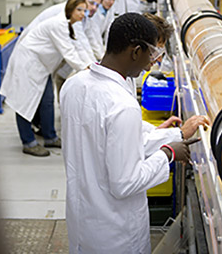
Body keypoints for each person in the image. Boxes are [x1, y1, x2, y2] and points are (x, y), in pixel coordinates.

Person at [60, 13, 209, 253]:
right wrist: (168, 154)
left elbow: (104, 141)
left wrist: (174, 135)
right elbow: (125, 183)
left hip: (83, 221)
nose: (152, 63)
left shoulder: (74, 85)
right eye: (151, 55)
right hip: (115, 232)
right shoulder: (122, 105)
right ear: (135, 51)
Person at [0, 0, 90, 157]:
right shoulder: (59, 24)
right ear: (70, 10)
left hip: (41, 66)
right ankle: (28, 142)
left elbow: (79, 47)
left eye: (85, 10)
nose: (83, 13)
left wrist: (92, 65)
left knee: (47, 100)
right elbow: (68, 52)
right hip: (28, 63)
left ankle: (50, 137)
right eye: (80, 10)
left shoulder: (71, 25)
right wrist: (85, 68)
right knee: (24, 103)